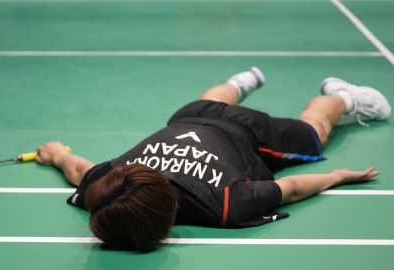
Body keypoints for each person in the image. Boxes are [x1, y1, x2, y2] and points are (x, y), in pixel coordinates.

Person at [35, 67, 391, 252]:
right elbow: (79, 170)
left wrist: (337, 176)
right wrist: (57, 155)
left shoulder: (223, 205)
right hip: (190, 114)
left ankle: (344, 97)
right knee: (210, 100)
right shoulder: (112, 180)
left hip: (250, 134)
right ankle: (239, 83)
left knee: (314, 132)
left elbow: (293, 187)